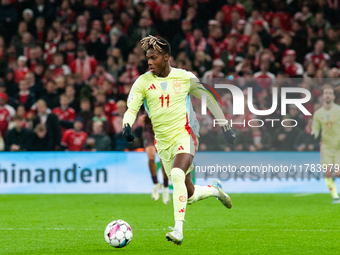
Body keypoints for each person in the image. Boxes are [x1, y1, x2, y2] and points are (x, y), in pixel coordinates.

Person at [122, 36, 235, 245]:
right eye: (147, 58)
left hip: (187, 134)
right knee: (189, 194)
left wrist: (225, 125)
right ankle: (215, 190)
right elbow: (131, 109)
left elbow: (209, 98)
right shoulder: (143, 82)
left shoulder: (184, 77)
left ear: (166, 57)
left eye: (153, 57)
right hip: (163, 143)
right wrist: (126, 125)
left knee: (176, 173)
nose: (149, 62)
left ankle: (178, 230)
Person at [312, 85, 340, 204]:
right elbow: (315, 129)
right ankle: (335, 197)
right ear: (322, 96)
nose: (328, 95)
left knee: (338, 173)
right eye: (326, 93)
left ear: (333, 96)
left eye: (330, 93)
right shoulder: (318, 113)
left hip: (339, 145)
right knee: (327, 173)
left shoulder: (338, 110)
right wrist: (313, 136)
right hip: (326, 147)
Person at [138, 110, 169, 204]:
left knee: (164, 160)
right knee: (151, 157)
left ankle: (166, 187)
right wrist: (140, 119)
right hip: (149, 131)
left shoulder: (165, 98)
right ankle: (155, 184)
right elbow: (138, 113)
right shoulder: (146, 99)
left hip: (163, 131)